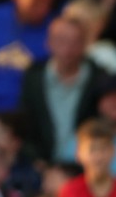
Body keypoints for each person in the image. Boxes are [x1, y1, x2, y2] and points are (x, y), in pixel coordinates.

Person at [20, 16, 106, 162]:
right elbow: (25, 124)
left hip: (86, 165)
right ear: (48, 42)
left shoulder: (99, 78)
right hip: (42, 165)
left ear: (85, 44)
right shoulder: (33, 77)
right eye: (61, 40)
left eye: (75, 42)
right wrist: (37, 161)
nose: (67, 49)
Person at [0, 0, 56, 112]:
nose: (42, 7)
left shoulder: (54, 29)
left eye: (46, 1)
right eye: (35, 0)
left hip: (26, 112)